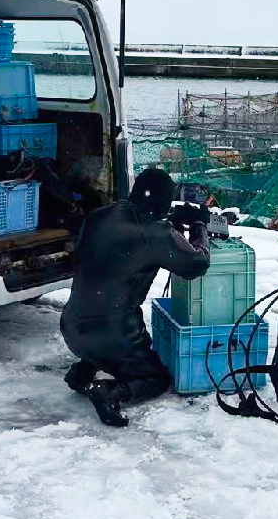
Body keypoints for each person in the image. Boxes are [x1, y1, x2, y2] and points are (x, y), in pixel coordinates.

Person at [61, 167, 211, 427]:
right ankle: (110, 392)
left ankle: (83, 370)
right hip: (113, 336)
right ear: (163, 201)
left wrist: (169, 221)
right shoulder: (155, 233)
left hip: (71, 327)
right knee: (156, 379)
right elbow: (197, 263)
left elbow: (132, 235)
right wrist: (199, 226)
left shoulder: (98, 216)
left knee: (101, 309)